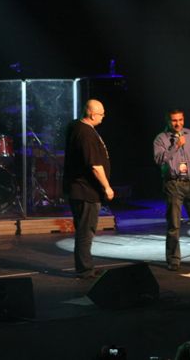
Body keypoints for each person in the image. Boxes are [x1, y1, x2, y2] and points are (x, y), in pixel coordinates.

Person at [153, 108, 190, 271]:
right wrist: (176, 146)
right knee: (174, 225)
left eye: (180, 119)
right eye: (174, 120)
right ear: (168, 121)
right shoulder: (161, 139)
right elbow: (159, 159)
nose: (178, 123)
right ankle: (173, 260)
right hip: (173, 184)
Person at [63, 99, 114, 279]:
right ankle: (84, 269)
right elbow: (94, 165)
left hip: (80, 189)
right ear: (92, 114)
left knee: (84, 229)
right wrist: (107, 187)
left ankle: (85, 266)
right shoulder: (86, 133)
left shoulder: (77, 127)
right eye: (101, 114)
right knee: (86, 231)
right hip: (86, 191)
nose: (103, 116)